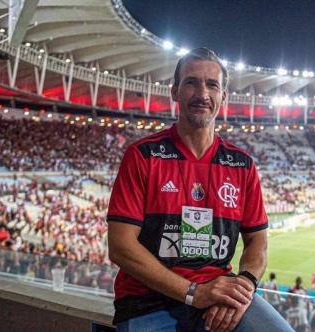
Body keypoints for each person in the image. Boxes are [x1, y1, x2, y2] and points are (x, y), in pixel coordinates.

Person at [107, 47, 293, 332]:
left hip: (220, 299)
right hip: (148, 302)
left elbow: (258, 242)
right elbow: (121, 247)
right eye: (191, 82)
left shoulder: (241, 165)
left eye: (212, 85)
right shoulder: (144, 155)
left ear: (223, 97)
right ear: (175, 92)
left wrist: (244, 285)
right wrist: (193, 292)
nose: (202, 94)